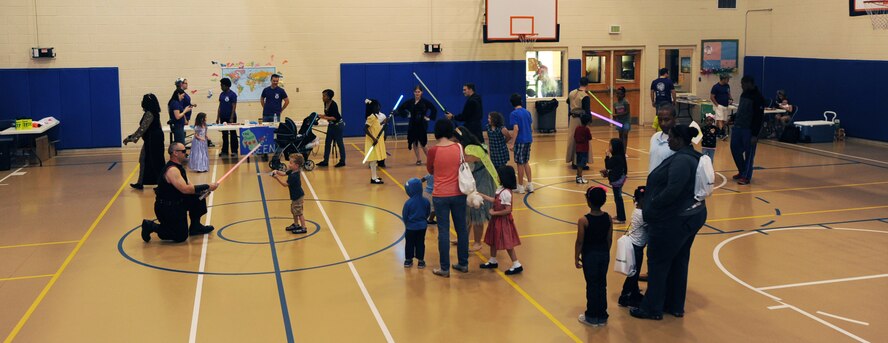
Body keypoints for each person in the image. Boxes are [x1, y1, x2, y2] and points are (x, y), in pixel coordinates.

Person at [630, 124, 707, 321]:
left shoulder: (681, 161)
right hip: (691, 217)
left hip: (673, 221)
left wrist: (652, 204)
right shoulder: (692, 156)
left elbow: (673, 191)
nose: (668, 140)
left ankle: (652, 307)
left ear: (680, 140)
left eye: (671, 137)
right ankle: (674, 304)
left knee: (658, 262)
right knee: (679, 261)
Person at [140, 142, 218, 243]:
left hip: (178, 201)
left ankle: (195, 226)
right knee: (180, 236)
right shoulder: (172, 170)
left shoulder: (179, 167)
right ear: (175, 153)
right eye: (183, 151)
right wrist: (207, 186)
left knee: (198, 197)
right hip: (167, 207)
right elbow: (185, 189)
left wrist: (203, 191)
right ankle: (151, 226)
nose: (186, 153)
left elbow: (190, 187)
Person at [427, 119, 469, 277]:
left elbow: (430, 170)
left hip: (440, 194)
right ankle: (463, 263)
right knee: (461, 230)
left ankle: (444, 268)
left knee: (443, 231)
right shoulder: (458, 147)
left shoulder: (433, 151)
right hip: (459, 193)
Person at [455, 126, 498, 252]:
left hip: (484, 180)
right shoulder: (471, 146)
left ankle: (478, 242)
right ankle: (463, 238)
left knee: (477, 209)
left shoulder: (470, 149)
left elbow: (466, 160)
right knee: (467, 210)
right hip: (474, 179)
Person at [575, 186, 613, 327]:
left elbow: (580, 241)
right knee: (602, 284)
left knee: (592, 285)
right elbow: (609, 239)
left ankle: (591, 316)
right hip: (604, 255)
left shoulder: (583, 220)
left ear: (588, 201)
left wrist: (576, 257)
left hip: (590, 256)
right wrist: (605, 252)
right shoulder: (608, 218)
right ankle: (602, 315)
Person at [479, 165, 523, 275]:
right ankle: (493, 260)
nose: (497, 177)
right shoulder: (501, 189)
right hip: (496, 220)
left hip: (503, 221)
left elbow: (508, 210)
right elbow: (495, 200)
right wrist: (484, 196)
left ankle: (516, 263)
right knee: (493, 239)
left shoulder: (506, 193)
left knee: (507, 242)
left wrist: (495, 213)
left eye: (499, 176)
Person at [124, 94, 165, 190]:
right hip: (154, 139)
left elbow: (142, 129)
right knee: (144, 159)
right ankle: (140, 182)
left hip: (153, 140)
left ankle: (162, 184)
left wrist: (130, 138)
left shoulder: (149, 113)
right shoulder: (154, 113)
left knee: (156, 162)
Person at [729, 76, 766, 185]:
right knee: (734, 149)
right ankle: (742, 171)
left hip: (749, 130)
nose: (741, 86)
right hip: (738, 127)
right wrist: (732, 118)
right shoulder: (744, 94)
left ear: (750, 83)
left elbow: (759, 118)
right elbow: (741, 110)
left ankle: (746, 176)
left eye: (743, 84)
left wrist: (755, 135)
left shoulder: (758, 97)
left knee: (749, 154)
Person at [618, 186, 648, 308]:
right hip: (636, 247)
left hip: (635, 245)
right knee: (633, 273)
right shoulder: (642, 214)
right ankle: (625, 296)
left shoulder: (637, 211)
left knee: (634, 271)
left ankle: (634, 292)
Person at [397, 86, 437, 165]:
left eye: (418, 92)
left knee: (423, 143)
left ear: (421, 92)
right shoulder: (410, 102)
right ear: (413, 92)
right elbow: (400, 108)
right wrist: (406, 114)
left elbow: (434, 109)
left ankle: (430, 160)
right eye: (416, 92)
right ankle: (418, 160)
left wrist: (429, 118)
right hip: (412, 123)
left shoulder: (425, 102)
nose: (417, 93)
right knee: (414, 142)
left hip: (422, 124)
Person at [271, 154, 307, 234]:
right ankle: (296, 224)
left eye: (291, 163)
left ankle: (303, 227)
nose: (289, 164)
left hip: (298, 196)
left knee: (299, 212)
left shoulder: (294, 176)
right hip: (294, 196)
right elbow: (284, 173)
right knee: (294, 211)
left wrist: (276, 178)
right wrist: (276, 171)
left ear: (296, 165)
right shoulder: (292, 171)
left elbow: (285, 184)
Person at [508, 93, 534, 194]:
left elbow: (516, 128)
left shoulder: (514, 114)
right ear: (521, 101)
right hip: (528, 139)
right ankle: (530, 185)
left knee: (519, 163)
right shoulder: (527, 112)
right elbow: (530, 126)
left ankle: (520, 186)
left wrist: (512, 143)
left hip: (520, 140)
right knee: (526, 162)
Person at [403, 177, 431, 269]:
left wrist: (408, 224)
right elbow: (428, 212)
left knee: (409, 243)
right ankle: (421, 261)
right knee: (420, 243)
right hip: (422, 227)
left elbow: (405, 215)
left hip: (411, 227)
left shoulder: (408, 203)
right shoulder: (426, 201)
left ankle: (408, 260)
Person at [566, 78, 591, 169]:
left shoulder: (572, 93)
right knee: (581, 140)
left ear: (579, 83)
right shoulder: (585, 96)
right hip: (581, 121)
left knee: (572, 139)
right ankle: (579, 162)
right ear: (587, 84)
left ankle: (573, 160)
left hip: (572, 119)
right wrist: (588, 121)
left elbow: (568, 101)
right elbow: (587, 111)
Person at [317, 89, 346, 168]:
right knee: (327, 143)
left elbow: (335, 117)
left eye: (324, 96)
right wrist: (321, 115)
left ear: (329, 97)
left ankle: (342, 161)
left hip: (337, 125)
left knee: (339, 143)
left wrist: (323, 117)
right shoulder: (325, 103)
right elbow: (328, 114)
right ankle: (325, 161)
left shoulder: (333, 105)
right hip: (331, 125)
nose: (322, 97)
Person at [648, 104, 678, 173]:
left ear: (674, 119)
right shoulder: (655, 137)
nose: (663, 123)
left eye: (666, 120)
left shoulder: (679, 141)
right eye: (660, 120)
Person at [604, 138, 627, 224]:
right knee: (618, 198)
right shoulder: (620, 156)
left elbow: (608, 165)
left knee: (618, 198)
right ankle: (620, 215)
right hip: (619, 179)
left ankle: (621, 218)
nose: (609, 147)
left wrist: (607, 156)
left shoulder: (616, 158)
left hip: (617, 181)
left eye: (610, 145)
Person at [363, 99, 386, 184]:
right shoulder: (371, 117)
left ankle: (375, 176)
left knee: (375, 160)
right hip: (372, 141)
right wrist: (373, 138)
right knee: (373, 161)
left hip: (376, 140)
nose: (379, 108)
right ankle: (373, 178)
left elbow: (376, 127)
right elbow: (365, 128)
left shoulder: (375, 117)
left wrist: (384, 123)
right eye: (377, 106)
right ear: (372, 107)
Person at [216, 78, 238, 157]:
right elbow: (220, 106)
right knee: (224, 134)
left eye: (222, 85)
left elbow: (234, 106)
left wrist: (231, 117)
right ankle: (224, 151)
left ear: (226, 86)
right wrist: (218, 117)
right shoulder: (221, 94)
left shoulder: (233, 94)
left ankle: (234, 151)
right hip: (223, 117)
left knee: (233, 134)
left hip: (231, 117)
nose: (221, 87)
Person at [709, 74, 733, 140]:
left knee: (724, 120)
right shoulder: (716, 87)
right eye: (727, 79)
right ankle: (722, 134)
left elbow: (728, 93)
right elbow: (712, 97)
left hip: (725, 105)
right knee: (720, 119)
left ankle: (716, 132)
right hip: (719, 105)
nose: (728, 80)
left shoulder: (727, 86)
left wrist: (731, 99)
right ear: (723, 79)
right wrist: (717, 105)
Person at [575, 114, 592, 184]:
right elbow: (590, 137)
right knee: (581, 164)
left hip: (578, 149)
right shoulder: (586, 129)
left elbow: (575, 137)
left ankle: (579, 176)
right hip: (584, 149)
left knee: (579, 163)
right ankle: (579, 177)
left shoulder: (577, 128)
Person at [613, 86, 632, 151]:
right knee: (620, 136)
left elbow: (627, 112)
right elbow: (615, 113)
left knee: (625, 135)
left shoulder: (626, 102)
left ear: (623, 95)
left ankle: (624, 151)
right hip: (619, 121)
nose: (618, 95)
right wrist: (615, 118)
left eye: (620, 94)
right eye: (617, 93)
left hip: (626, 121)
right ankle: (621, 150)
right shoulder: (615, 104)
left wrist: (617, 115)